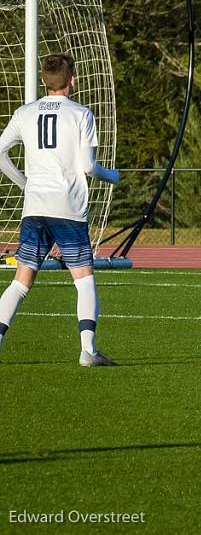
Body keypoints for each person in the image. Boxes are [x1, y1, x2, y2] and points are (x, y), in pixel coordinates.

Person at [0, 54, 120, 365]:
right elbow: (88, 167)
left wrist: (25, 183)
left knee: (21, 281)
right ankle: (88, 350)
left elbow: (0, 152)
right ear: (73, 80)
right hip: (68, 207)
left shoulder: (24, 113)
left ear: (43, 81)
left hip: (35, 206)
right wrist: (112, 176)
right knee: (83, 279)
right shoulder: (81, 114)